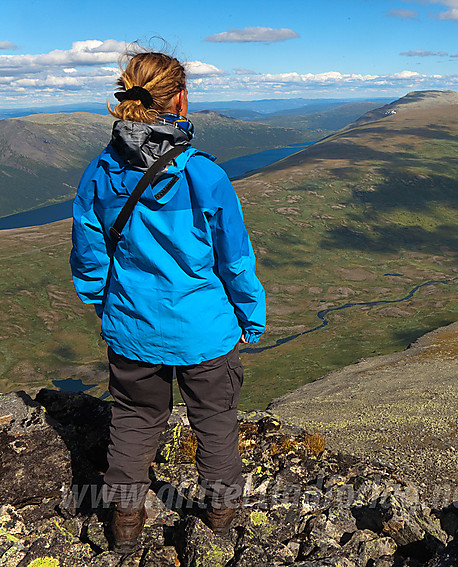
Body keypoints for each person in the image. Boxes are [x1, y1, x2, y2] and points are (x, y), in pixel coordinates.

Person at [69, 50, 266, 553]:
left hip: (133, 327)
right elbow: (235, 261)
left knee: (133, 421)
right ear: (180, 96)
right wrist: (250, 316)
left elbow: (90, 252)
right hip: (205, 331)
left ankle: (125, 524)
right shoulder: (204, 176)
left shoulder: (100, 171)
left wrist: (102, 302)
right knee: (216, 423)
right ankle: (222, 522)